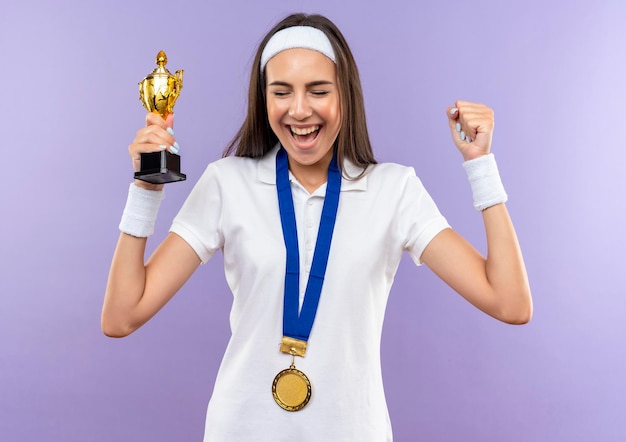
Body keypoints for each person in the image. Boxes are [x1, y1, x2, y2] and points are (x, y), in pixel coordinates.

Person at [102, 12, 532, 442]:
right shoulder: (227, 182)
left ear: (345, 96)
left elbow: (510, 304)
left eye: (318, 90)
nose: (299, 110)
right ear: (263, 99)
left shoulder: (393, 190)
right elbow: (122, 315)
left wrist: (481, 165)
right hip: (242, 429)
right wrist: (145, 187)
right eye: (281, 92)